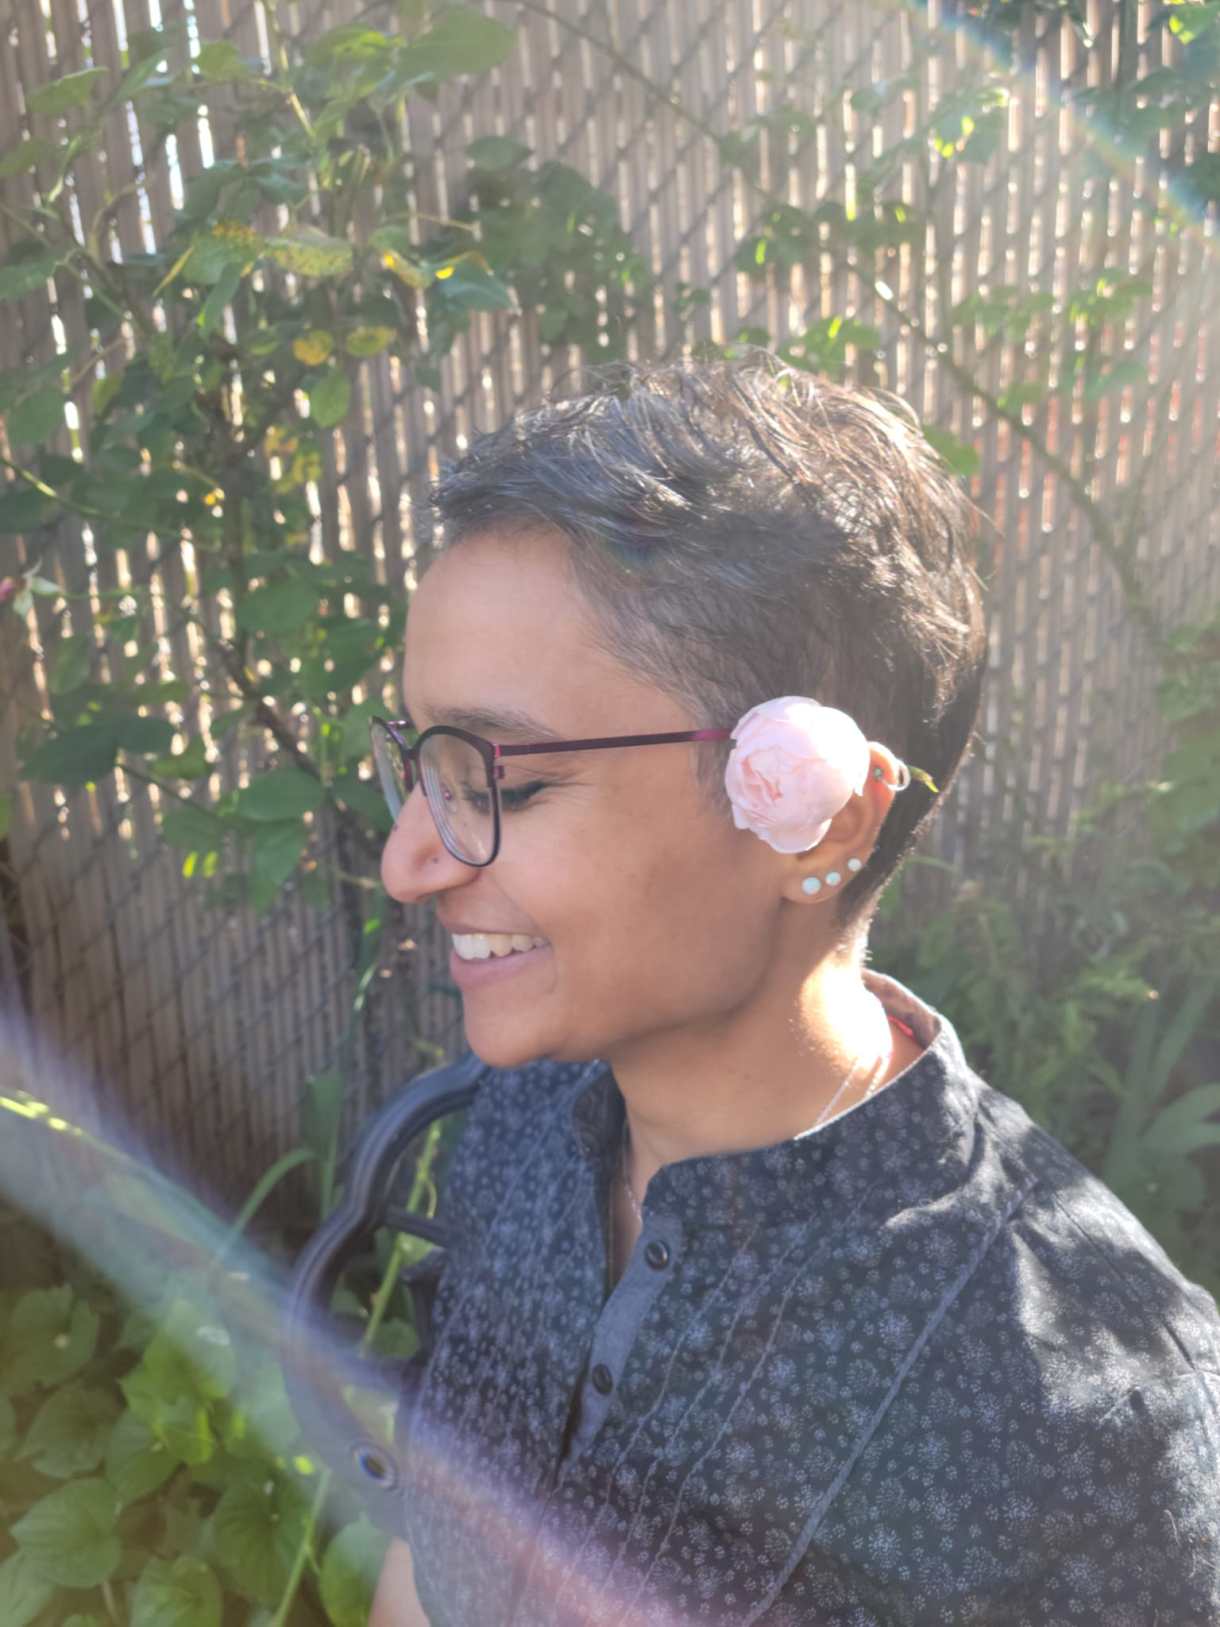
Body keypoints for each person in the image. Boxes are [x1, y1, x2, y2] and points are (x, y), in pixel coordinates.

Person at [367, 359, 1220, 1626]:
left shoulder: (1083, 1414)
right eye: (418, 763)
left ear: (814, 816)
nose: (406, 861)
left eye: (507, 780)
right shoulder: (521, 1117)